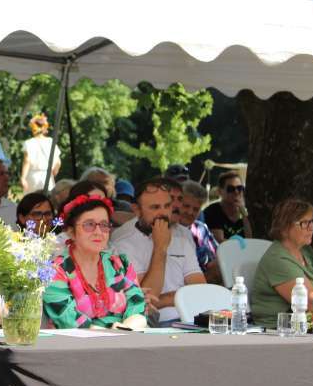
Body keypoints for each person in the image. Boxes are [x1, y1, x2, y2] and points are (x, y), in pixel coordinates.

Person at [44, 193, 147, 329]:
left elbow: (138, 307)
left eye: (104, 225)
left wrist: (127, 328)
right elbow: (67, 319)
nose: (98, 232)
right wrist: (112, 334)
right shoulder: (55, 271)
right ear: (71, 232)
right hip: (79, 341)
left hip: (125, 336)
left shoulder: (120, 264)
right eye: (89, 225)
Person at [109, 179, 206, 323]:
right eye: (155, 207)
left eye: (167, 206)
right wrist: (160, 247)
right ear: (137, 210)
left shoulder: (182, 241)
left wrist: (164, 300)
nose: (163, 213)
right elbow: (146, 300)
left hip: (192, 320)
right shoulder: (122, 246)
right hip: (154, 324)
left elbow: (201, 291)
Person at [248, 199, 313, 329]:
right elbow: (311, 303)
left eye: (312, 222)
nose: (311, 228)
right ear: (285, 227)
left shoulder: (305, 252)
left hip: (299, 326)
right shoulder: (278, 259)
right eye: (304, 223)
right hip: (276, 331)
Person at [180, 180, 221, 284]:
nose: (190, 212)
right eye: (186, 206)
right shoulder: (167, 232)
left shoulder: (201, 228)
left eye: (195, 209)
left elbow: (219, 255)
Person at [203, 171, 253, 242]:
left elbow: (250, 239)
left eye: (239, 188)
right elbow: (219, 242)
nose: (236, 192)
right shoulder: (212, 211)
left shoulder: (245, 213)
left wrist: (243, 213)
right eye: (231, 189)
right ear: (220, 191)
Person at [21, 113, 61, 194]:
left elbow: (27, 161)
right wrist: (54, 173)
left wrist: (23, 177)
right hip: (48, 176)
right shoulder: (51, 142)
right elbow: (58, 162)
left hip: (33, 177)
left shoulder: (29, 143)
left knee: (32, 199)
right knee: (48, 199)